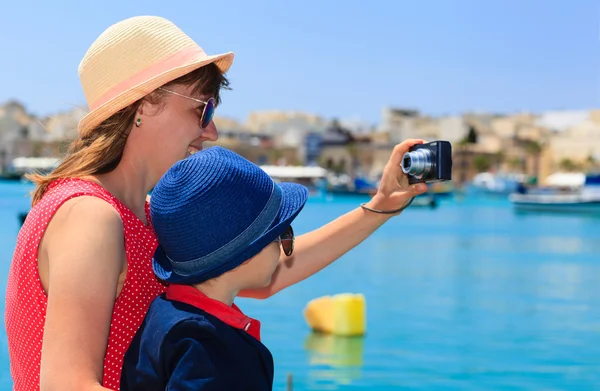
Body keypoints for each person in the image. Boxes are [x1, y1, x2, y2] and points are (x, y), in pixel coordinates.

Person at [4, 15, 427, 391]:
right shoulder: (91, 217)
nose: (212, 132)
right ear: (146, 103)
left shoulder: (140, 214)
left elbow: (267, 270)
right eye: (203, 110)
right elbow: (65, 383)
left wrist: (380, 206)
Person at [120, 146, 308, 390]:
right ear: (245, 254)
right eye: (282, 234)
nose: (283, 247)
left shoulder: (164, 313)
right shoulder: (212, 348)